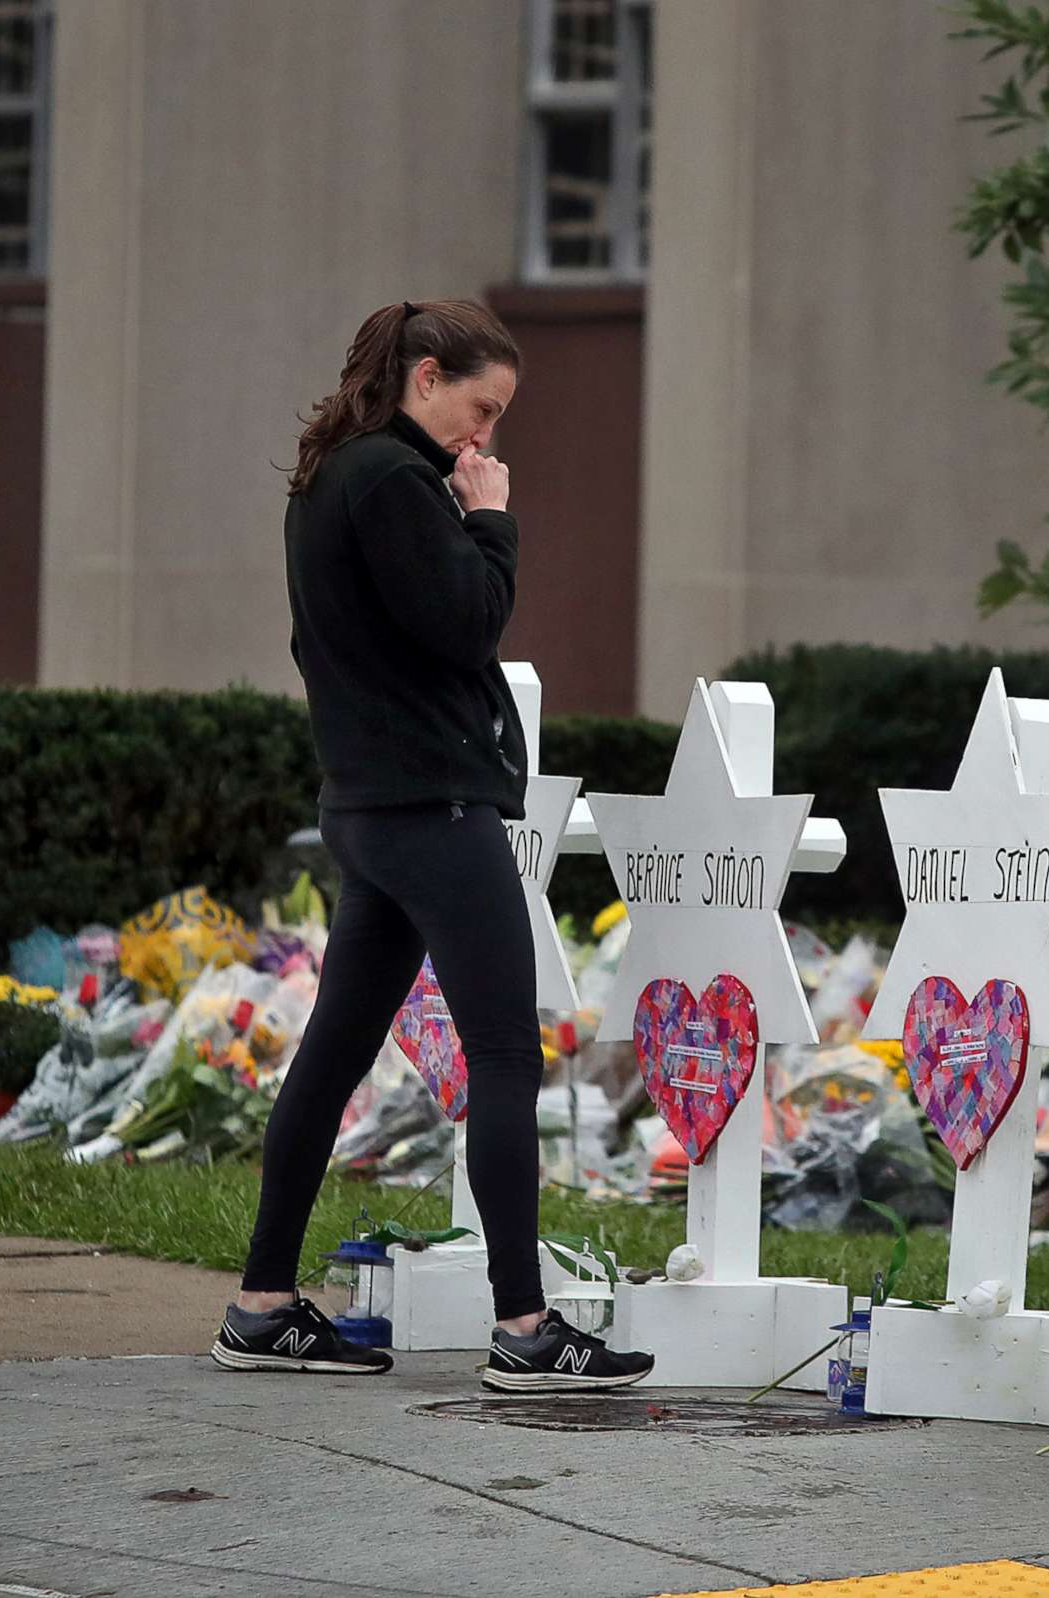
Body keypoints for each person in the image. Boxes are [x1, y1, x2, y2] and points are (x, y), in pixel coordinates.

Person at [212, 299, 654, 1391]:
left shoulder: (330, 479)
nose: (486, 438)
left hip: (369, 807)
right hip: (432, 807)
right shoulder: (398, 482)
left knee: (334, 1051)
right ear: (424, 375)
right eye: (480, 407)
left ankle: (262, 1306)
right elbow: (467, 621)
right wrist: (491, 518)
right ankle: (525, 1326)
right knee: (507, 1052)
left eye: (497, 422)